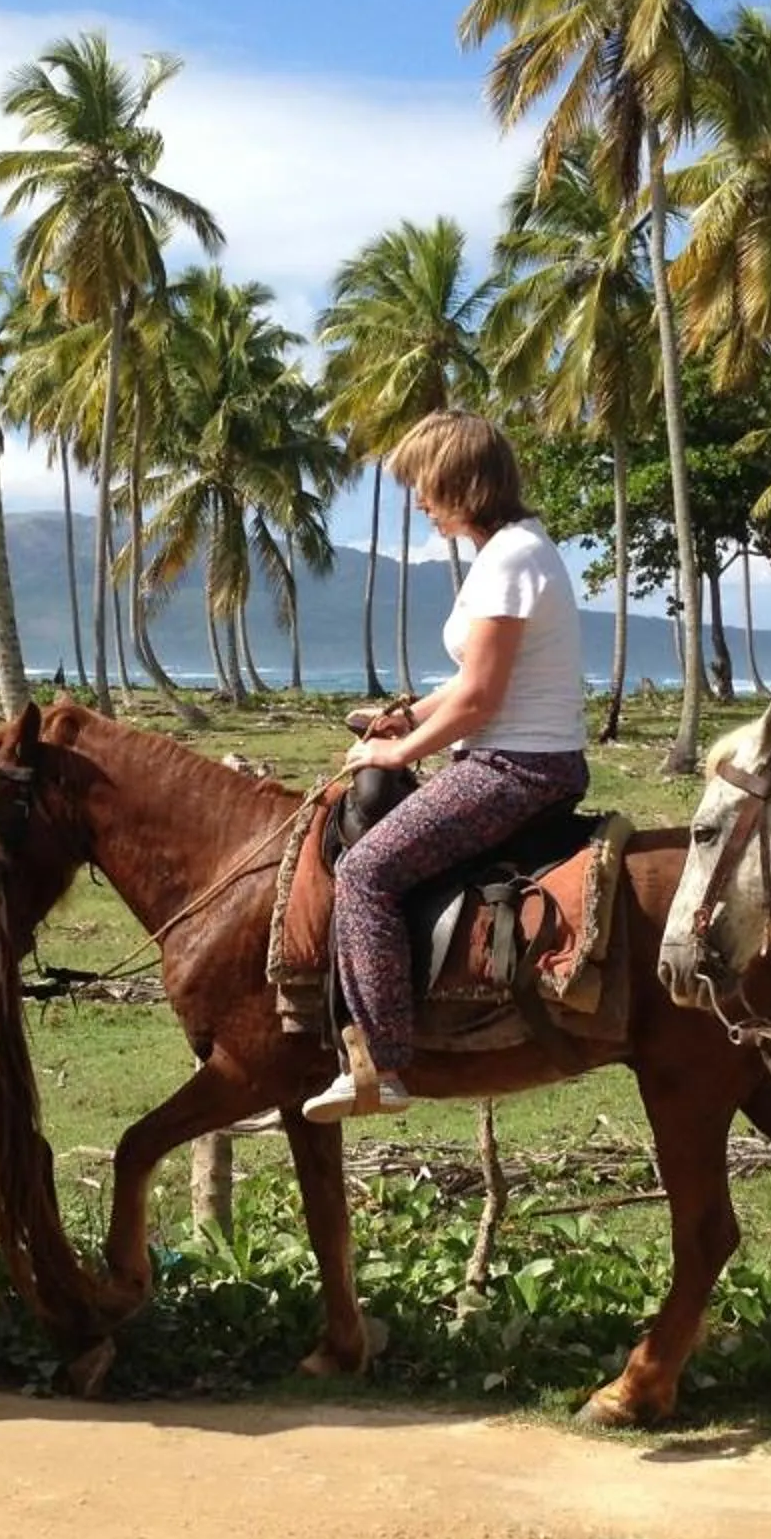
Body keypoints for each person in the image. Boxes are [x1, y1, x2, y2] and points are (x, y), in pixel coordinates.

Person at [307, 409, 589, 1123]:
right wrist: (409, 718)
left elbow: (482, 698)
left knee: (367, 872)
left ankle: (384, 1061)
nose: (420, 502)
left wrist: (396, 751)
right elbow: (466, 687)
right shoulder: (509, 552)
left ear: (463, 482)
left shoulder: (514, 559)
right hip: (508, 755)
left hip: (515, 768)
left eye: (426, 486)